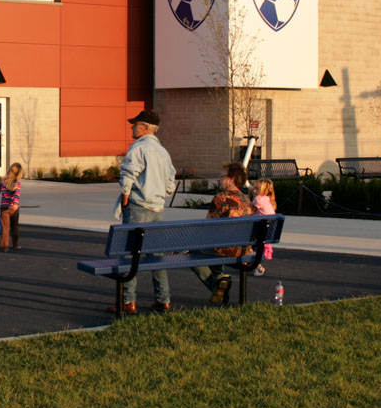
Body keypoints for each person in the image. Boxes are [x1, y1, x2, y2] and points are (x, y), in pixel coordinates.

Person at [114, 109, 176, 314]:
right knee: (157, 256)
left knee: (129, 254)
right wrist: (161, 193)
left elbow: (128, 174)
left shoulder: (138, 148)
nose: (132, 127)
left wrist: (125, 197)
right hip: (157, 208)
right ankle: (163, 300)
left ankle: (128, 301)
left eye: (135, 124)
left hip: (138, 207)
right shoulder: (163, 152)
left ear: (145, 127)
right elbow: (171, 182)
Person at [190, 162, 255, 305]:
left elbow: (208, 226)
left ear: (231, 179)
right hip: (244, 250)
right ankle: (220, 280)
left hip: (224, 249)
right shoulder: (246, 199)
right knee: (214, 245)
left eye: (222, 176)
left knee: (191, 252)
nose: (219, 179)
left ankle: (217, 282)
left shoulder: (221, 198)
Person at [0, 163, 23, 252]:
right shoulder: (18, 182)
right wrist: (15, 204)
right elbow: (16, 194)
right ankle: (15, 245)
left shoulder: (2, 181)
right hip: (14, 208)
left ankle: (5, 247)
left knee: (5, 228)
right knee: (15, 227)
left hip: (4, 208)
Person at [250, 178, 277, 276]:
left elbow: (248, 211)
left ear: (264, 191)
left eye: (257, 189)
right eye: (254, 188)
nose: (254, 191)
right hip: (266, 233)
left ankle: (256, 265)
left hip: (258, 233)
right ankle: (252, 263)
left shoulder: (259, 200)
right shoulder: (269, 200)